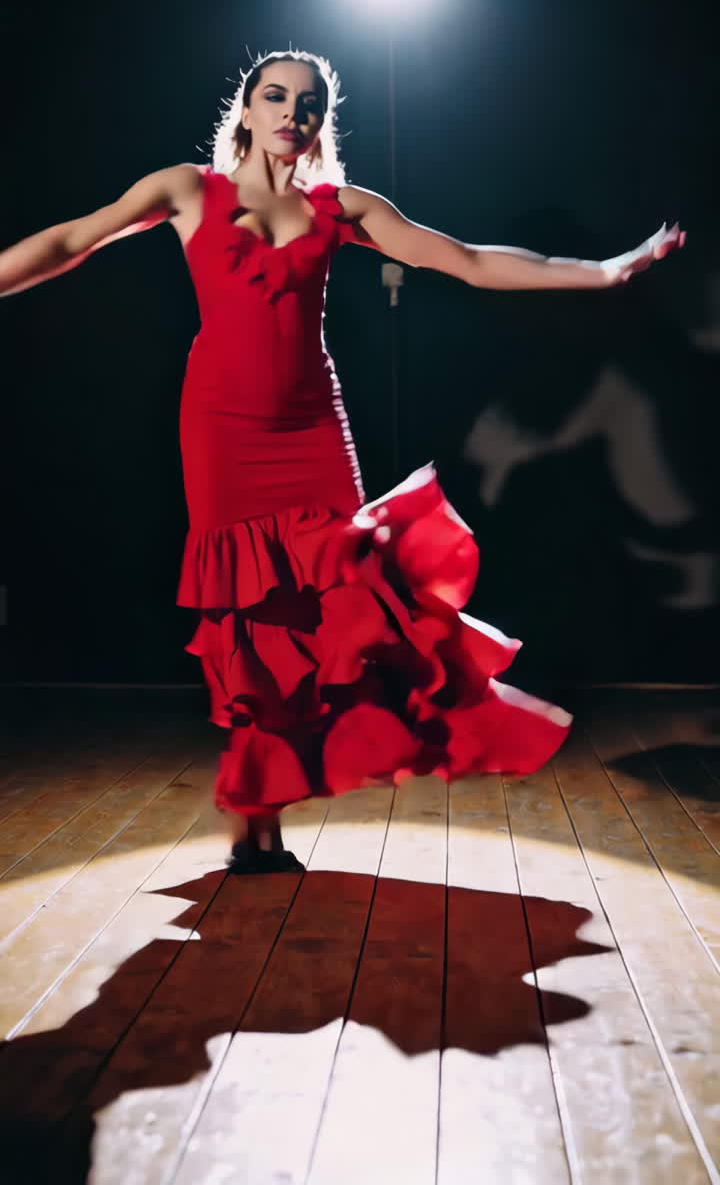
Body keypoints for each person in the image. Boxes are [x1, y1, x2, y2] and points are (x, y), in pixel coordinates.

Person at [0, 49, 685, 873]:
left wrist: (605, 271)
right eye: (277, 96)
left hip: (314, 433)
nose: (294, 112)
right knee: (255, 625)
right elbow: (73, 240)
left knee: (338, 612)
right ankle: (256, 824)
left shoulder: (341, 209)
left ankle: (285, 800)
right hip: (222, 429)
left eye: (311, 102)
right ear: (246, 110)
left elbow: (464, 260)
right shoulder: (185, 190)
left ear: (323, 120)